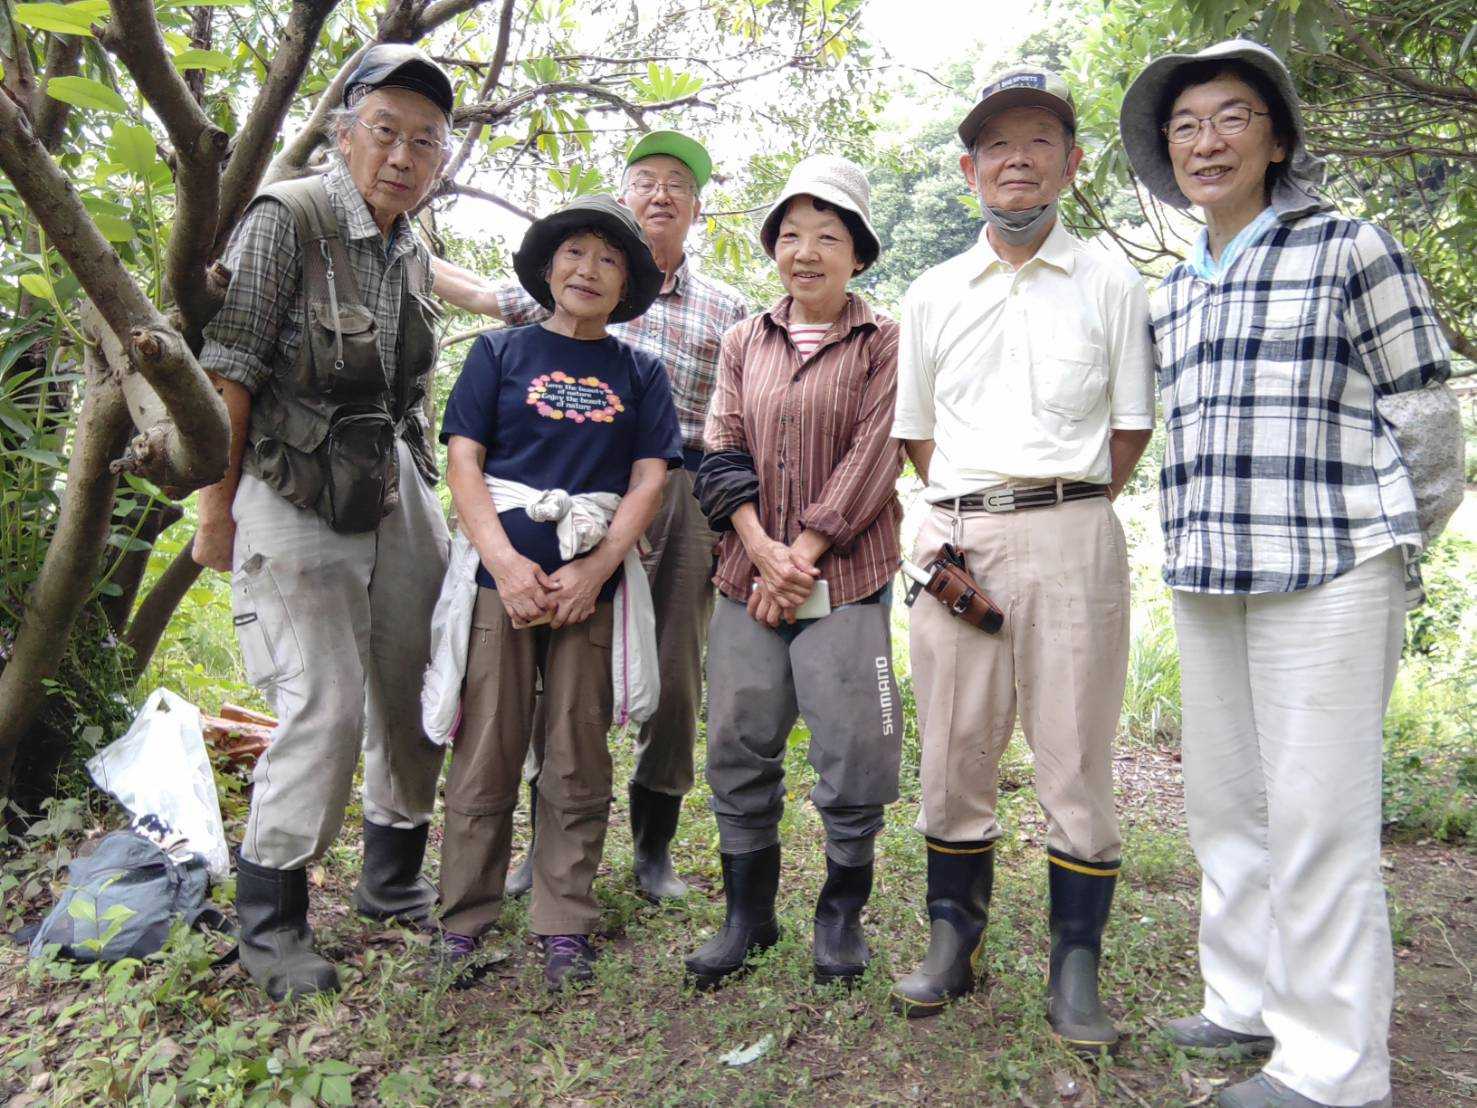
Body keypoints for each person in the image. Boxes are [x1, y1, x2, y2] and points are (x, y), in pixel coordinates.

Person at [1118, 40, 1455, 1108]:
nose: (1205, 141)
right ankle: (1244, 1000)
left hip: (1332, 569)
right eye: (1184, 126)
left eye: (1231, 117)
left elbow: (1425, 418)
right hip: (1210, 571)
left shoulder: (1350, 246)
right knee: (1226, 805)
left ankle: (1333, 1068)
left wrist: (1388, 540)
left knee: (1319, 819)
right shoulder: (1172, 291)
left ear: (1275, 139)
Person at [888, 66, 1155, 1049]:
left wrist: (1057, 511)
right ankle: (951, 943)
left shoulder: (1109, 282)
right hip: (957, 537)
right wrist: (973, 508)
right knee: (953, 747)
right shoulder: (931, 292)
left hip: (1074, 531)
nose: (1016, 159)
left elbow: (1129, 426)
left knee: (1075, 754)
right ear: (968, 170)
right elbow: (916, 433)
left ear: (1070, 163)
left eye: (1038, 139)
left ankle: (1073, 967)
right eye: (996, 144)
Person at [191, 45, 458, 1001]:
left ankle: (391, 876)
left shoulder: (410, 245)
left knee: (421, 682)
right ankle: (271, 923)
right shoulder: (289, 216)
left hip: (390, 479)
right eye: (385, 131)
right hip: (292, 481)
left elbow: (407, 384)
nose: (402, 155)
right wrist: (217, 513)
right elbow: (230, 370)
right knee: (326, 703)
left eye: (424, 141)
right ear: (345, 133)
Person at [434, 132, 748, 901]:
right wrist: (395, 235)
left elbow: (744, 415)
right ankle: (534, 847)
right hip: (565, 495)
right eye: (645, 180)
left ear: (696, 209)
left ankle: (652, 844)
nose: (660, 194)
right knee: (544, 675)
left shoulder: (726, 308)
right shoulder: (567, 287)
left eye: (678, 184)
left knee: (672, 668)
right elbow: (480, 299)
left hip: (679, 487)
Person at [434, 195, 681, 990]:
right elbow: (464, 462)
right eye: (574, 252)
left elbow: (650, 478)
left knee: (577, 752)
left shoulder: (640, 371)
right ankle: (463, 917)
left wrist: (597, 568)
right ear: (547, 268)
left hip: (588, 592)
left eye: (609, 260)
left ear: (626, 286)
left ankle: (564, 919)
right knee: (485, 748)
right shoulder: (498, 352)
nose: (589, 270)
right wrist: (506, 565)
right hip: (498, 584)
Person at [687, 155, 902, 990]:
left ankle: (840, 913)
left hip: (845, 573)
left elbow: (875, 454)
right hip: (747, 571)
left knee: (855, 744)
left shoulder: (884, 341)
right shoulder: (744, 339)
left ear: (858, 254)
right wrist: (760, 546)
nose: (805, 252)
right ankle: (748, 915)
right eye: (790, 236)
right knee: (737, 736)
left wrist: (803, 553)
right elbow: (721, 444)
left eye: (827, 236)